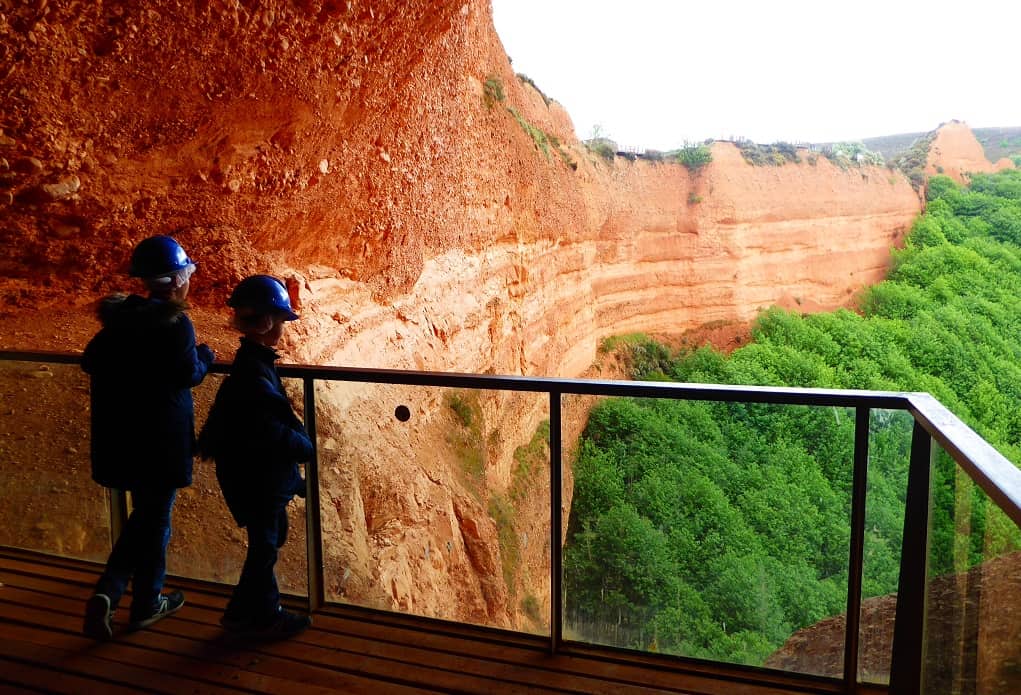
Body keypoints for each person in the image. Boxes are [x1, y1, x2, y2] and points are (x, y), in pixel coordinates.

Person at [81, 235, 215, 640]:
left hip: (122, 436)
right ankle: (124, 595)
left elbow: (91, 360)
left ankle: (135, 597)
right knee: (153, 520)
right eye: (187, 273)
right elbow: (188, 374)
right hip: (160, 440)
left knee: (148, 517)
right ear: (175, 281)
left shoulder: (121, 320)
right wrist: (205, 356)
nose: (189, 280)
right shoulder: (176, 323)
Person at [197, 274, 313, 639]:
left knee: (267, 543)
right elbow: (267, 429)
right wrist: (304, 447)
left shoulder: (251, 364)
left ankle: (241, 612)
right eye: (280, 321)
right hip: (258, 480)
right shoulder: (254, 372)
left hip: (250, 476)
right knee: (265, 545)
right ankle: (264, 616)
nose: (283, 328)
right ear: (266, 324)